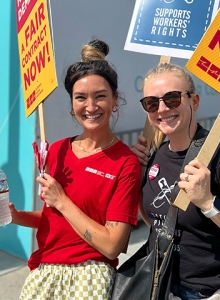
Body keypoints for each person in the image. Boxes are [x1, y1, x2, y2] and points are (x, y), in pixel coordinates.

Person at [9, 39, 141, 300]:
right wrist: (17, 216)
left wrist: (61, 200)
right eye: (80, 98)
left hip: (89, 277)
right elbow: (56, 219)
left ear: (115, 99)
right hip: (44, 272)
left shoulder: (125, 162)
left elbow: (112, 245)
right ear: (72, 105)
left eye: (100, 96)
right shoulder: (56, 150)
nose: (90, 107)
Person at [132, 63, 220, 299]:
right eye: (151, 102)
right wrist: (138, 177)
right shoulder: (154, 153)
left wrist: (209, 203)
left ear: (194, 101)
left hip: (216, 291)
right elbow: (156, 220)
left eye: (172, 98)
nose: (162, 108)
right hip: (163, 285)